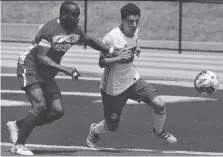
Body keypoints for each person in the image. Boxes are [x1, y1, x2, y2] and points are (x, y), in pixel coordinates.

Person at [6, 1, 128, 156]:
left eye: (79, 15)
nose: (78, 18)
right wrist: (66, 69)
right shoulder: (50, 30)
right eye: (75, 15)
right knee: (39, 106)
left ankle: (18, 125)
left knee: (57, 111)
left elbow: (89, 41)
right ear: (63, 15)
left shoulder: (75, 29)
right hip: (30, 68)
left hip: (47, 72)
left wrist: (112, 51)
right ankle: (18, 145)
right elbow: (41, 57)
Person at [86, 3, 177, 148]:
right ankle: (94, 130)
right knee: (111, 126)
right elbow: (102, 62)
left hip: (133, 80)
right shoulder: (111, 38)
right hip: (113, 88)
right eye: (131, 21)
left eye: (137, 21)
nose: (134, 25)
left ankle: (158, 131)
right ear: (122, 21)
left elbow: (132, 42)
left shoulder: (135, 31)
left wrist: (136, 48)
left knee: (160, 104)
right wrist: (118, 58)